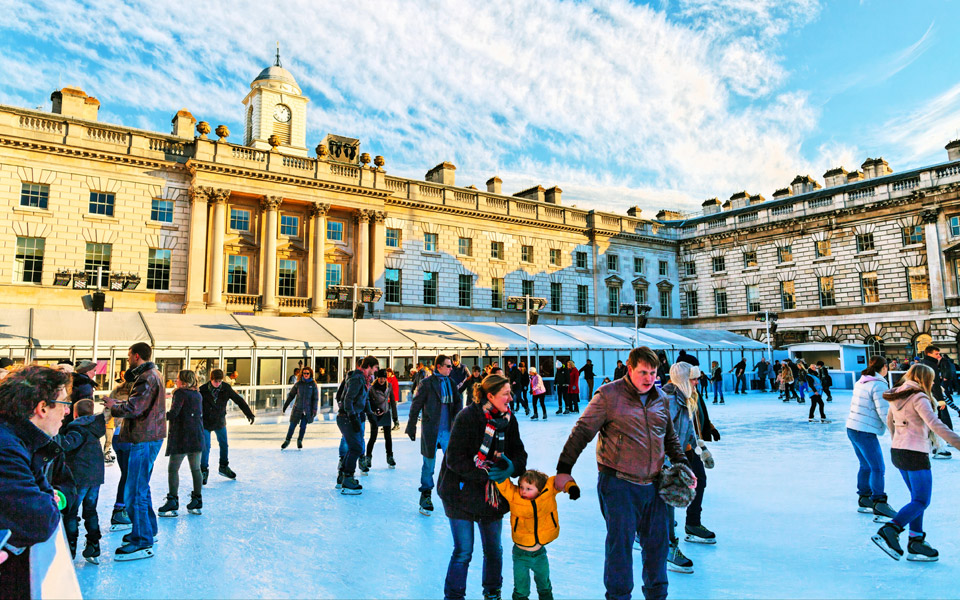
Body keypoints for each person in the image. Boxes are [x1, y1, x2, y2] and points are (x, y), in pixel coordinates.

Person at [554, 346, 687, 600]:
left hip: (655, 485)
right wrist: (564, 469)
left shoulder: (661, 398)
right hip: (618, 484)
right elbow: (581, 432)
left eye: (653, 373)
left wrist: (682, 466)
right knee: (620, 549)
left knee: (657, 548)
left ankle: (657, 596)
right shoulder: (608, 395)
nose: (649, 378)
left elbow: (669, 439)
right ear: (629, 369)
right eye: (643, 372)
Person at [437, 374, 528, 600]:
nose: (510, 397)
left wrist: (511, 468)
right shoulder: (467, 417)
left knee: (494, 550)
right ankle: (454, 596)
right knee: (463, 551)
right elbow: (454, 459)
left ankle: (492, 591)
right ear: (490, 396)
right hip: (459, 492)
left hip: (492, 496)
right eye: (505, 393)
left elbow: (519, 454)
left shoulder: (509, 419)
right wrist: (485, 472)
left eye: (510, 392)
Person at [873, 364, 960, 562]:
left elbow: (890, 422)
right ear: (924, 378)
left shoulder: (896, 394)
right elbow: (935, 424)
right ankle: (891, 529)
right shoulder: (919, 397)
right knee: (921, 501)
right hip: (915, 453)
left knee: (916, 500)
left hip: (898, 451)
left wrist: (899, 440)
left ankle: (916, 541)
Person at [0, 366, 72, 595]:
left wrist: (47, 497)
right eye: (64, 404)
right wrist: (48, 499)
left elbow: (45, 492)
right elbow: (39, 519)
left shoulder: (22, 441)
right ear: (42, 408)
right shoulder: (6, 446)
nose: (67, 412)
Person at [102, 342, 166, 561]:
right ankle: (147, 530)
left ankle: (142, 540)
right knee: (140, 487)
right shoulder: (151, 374)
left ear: (136, 356)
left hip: (144, 439)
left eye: (129, 356)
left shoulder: (147, 377)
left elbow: (134, 408)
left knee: (134, 491)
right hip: (147, 437)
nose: (127, 359)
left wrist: (113, 404)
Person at [496, 469, 579, 600]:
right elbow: (504, 484)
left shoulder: (547, 493)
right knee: (521, 590)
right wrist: (497, 467)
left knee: (544, 586)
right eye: (522, 487)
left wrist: (572, 488)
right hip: (520, 556)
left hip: (540, 554)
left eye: (529, 488)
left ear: (539, 490)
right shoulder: (514, 496)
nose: (523, 491)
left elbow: (562, 480)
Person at [407, 354, 462, 515]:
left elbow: (458, 403)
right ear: (439, 367)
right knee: (429, 464)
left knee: (452, 463)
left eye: (451, 366)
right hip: (432, 430)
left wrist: (460, 424)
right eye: (448, 366)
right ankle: (426, 495)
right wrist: (411, 426)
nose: (451, 368)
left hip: (448, 431)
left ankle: (452, 494)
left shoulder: (451, 383)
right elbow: (416, 406)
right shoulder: (427, 384)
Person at [656, 361, 697, 574]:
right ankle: (668, 549)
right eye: (693, 378)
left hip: (674, 460)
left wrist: (700, 450)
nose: (697, 382)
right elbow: (657, 433)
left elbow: (687, 428)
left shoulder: (683, 400)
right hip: (662, 462)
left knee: (665, 505)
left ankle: (661, 541)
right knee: (666, 505)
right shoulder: (669, 401)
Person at [57, 398, 107, 563]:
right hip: (95, 477)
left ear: (75, 414)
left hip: (79, 478)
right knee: (90, 511)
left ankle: (70, 548)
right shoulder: (95, 427)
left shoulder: (77, 429)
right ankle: (94, 545)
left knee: (71, 513)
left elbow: (68, 444)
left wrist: (56, 437)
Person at [846, 356, 895, 520]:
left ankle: (865, 499)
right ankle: (879, 502)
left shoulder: (861, 381)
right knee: (878, 468)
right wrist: (895, 432)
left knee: (866, 465)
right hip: (864, 430)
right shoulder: (879, 384)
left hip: (853, 427)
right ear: (884, 368)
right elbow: (884, 412)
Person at [158, 371, 204, 519]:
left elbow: (173, 414)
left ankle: (173, 500)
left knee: (173, 469)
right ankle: (197, 500)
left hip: (182, 437)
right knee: (196, 469)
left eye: (177, 379)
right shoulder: (197, 394)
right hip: (196, 436)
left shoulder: (181, 394)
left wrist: (157, 415)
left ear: (183, 381)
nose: (175, 381)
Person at [199, 369, 255, 481]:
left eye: (220, 381)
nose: (218, 384)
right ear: (211, 379)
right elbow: (194, 404)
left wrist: (249, 413)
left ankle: (223, 467)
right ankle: (203, 471)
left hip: (219, 421)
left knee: (224, 444)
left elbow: (239, 400)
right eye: (216, 381)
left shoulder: (226, 388)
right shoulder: (203, 390)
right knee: (206, 447)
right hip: (205, 422)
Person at [685, 366, 720, 545]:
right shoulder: (675, 397)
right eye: (694, 379)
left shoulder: (694, 394)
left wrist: (710, 428)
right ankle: (648, 525)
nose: (697, 382)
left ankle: (693, 523)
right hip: (678, 448)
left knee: (699, 481)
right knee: (666, 487)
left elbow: (700, 415)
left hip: (693, 445)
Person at [337, 356, 378, 495]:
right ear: (369, 366)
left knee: (355, 447)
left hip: (351, 416)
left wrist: (370, 414)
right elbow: (347, 399)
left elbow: (363, 399)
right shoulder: (357, 378)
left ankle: (345, 476)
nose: (376, 370)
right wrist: (353, 417)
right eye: (375, 367)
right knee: (356, 447)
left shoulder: (365, 380)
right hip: (346, 418)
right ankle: (347, 479)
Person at [920, 345, 953, 458]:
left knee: (931, 422)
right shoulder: (930, 365)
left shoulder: (924, 363)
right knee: (935, 422)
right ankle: (939, 448)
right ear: (929, 354)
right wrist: (940, 400)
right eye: (936, 354)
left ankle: (935, 446)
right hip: (931, 397)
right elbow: (934, 384)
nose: (939, 356)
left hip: (925, 396)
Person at [362, 369, 395, 470]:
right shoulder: (372, 388)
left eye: (384, 378)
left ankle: (390, 456)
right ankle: (368, 457)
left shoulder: (388, 386)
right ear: (377, 378)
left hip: (385, 413)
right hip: (376, 414)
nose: (382, 380)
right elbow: (368, 400)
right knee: (373, 436)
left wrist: (395, 417)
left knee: (388, 436)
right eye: (381, 378)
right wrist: (375, 409)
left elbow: (392, 401)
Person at [282, 366, 319, 450]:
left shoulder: (313, 385)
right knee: (292, 425)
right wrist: (285, 405)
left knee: (303, 426)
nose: (305, 375)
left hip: (307, 410)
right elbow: (291, 395)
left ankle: (299, 440)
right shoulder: (299, 384)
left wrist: (314, 410)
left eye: (307, 373)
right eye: (304, 373)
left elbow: (315, 399)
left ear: (310, 374)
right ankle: (287, 440)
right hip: (297, 408)